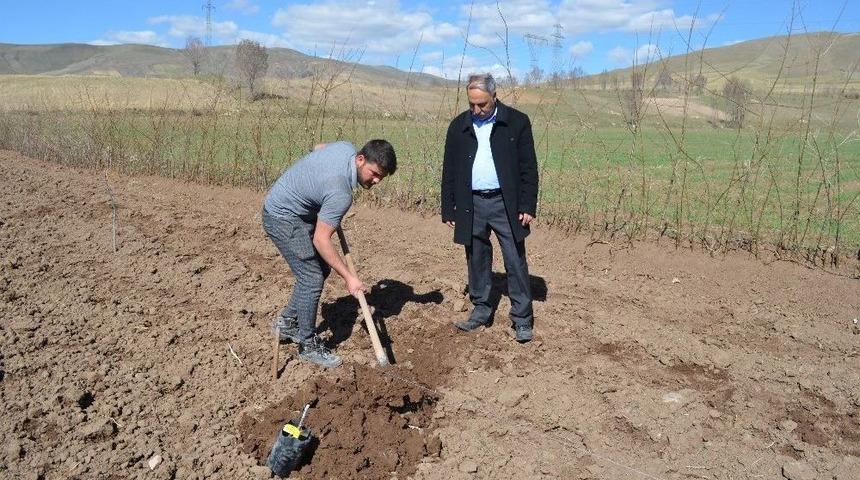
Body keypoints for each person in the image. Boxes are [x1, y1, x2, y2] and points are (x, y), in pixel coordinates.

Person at [262, 140, 397, 367]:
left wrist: (318, 188)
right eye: (374, 174)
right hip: (282, 218)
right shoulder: (340, 193)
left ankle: (286, 323)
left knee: (320, 269)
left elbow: (317, 147)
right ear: (361, 159)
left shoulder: (346, 148)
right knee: (311, 277)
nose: (375, 181)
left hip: (288, 205)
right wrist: (349, 277)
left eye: (381, 178)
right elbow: (321, 239)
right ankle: (307, 344)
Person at [441, 73, 538, 343]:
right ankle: (481, 309)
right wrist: (449, 207)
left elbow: (529, 168)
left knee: (514, 258)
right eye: (472, 104)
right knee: (476, 257)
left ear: (495, 97)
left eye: (482, 104)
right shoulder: (459, 125)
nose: (476, 110)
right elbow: (449, 168)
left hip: (505, 203)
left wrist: (527, 204)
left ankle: (521, 318)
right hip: (471, 203)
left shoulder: (517, 122)